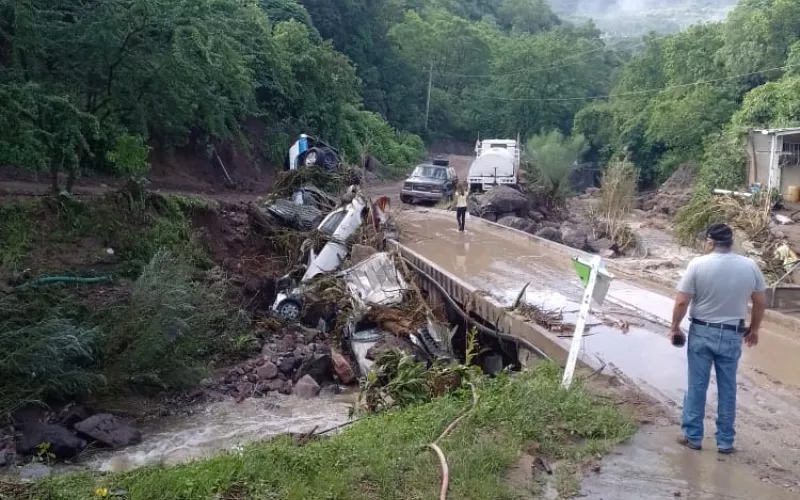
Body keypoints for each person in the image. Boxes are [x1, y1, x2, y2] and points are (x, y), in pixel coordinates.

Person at [670, 223, 767, 454]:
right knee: (728, 387)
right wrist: (754, 329)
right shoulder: (749, 266)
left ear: (710, 242)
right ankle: (725, 441)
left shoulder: (698, 264)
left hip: (702, 332)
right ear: (730, 242)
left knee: (697, 385)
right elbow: (761, 302)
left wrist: (674, 327)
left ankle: (693, 436)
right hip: (733, 334)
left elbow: (682, 301)